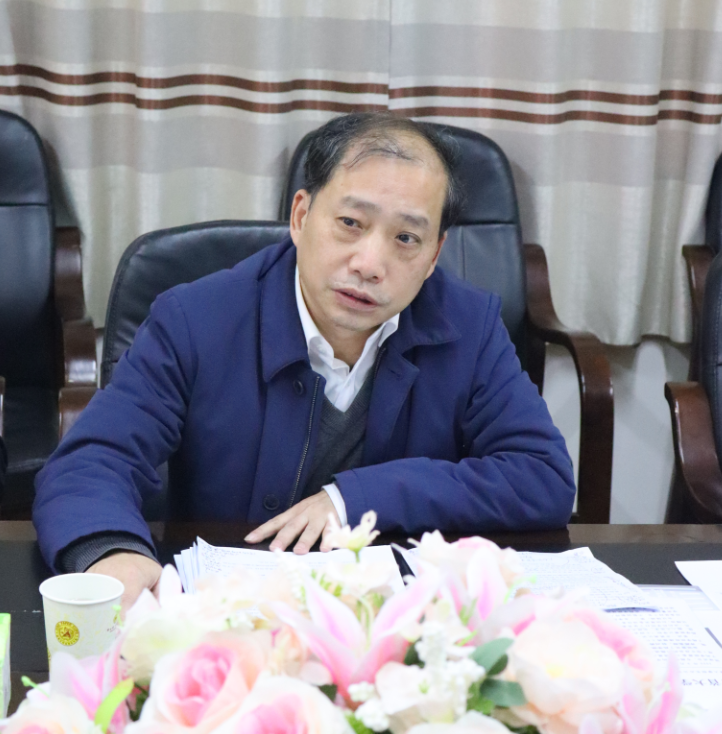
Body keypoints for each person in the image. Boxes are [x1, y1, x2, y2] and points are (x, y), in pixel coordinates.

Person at [33, 113, 575, 609]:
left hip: (393, 623)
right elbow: (92, 461)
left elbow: (541, 475)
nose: (370, 263)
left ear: (434, 256)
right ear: (300, 215)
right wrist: (114, 553)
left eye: (406, 238)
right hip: (228, 615)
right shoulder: (196, 319)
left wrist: (355, 498)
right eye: (351, 223)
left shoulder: (469, 327)